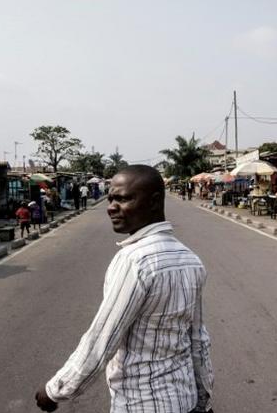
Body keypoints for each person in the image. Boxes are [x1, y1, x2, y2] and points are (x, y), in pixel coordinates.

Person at [35, 165, 214, 413]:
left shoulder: (135, 261)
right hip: (183, 400)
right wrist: (203, 399)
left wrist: (54, 391)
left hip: (141, 403)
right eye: (110, 199)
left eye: (123, 198)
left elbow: (101, 340)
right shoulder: (190, 259)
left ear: (153, 202)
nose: (111, 207)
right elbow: (197, 340)